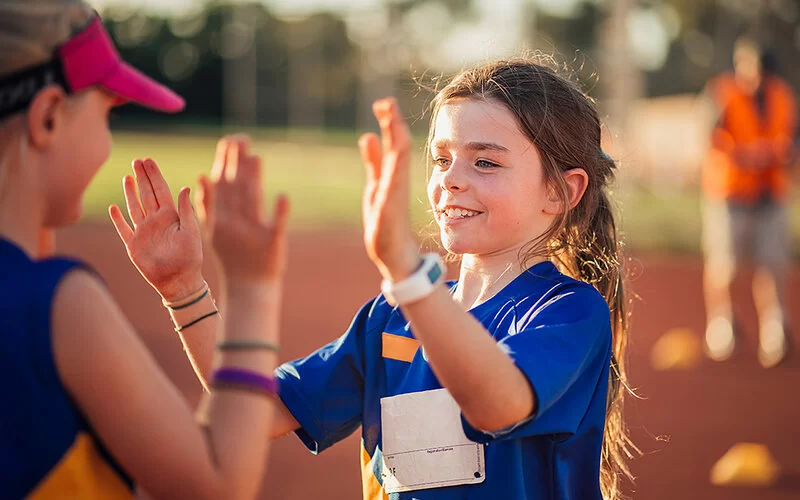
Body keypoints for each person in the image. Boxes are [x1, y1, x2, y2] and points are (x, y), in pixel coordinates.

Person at [116, 58, 636, 499]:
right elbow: (255, 411)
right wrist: (184, 290)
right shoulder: (390, 317)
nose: (451, 178)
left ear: (561, 192)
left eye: (485, 162)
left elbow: (496, 404)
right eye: (441, 158)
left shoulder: (568, 312)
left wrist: (408, 276)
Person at [0, 2, 291, 498]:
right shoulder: (59, 305)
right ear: (47, 117)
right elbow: (217, 483)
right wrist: (251, 287)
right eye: (106, 114)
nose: (108, 140)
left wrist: (182, 289)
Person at [700, 37, 797, 367]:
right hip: (730, 194)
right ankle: (722, 324)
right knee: (724, 265)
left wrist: (782, 155)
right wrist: (747, 155)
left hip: (770, 194)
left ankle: (775, 330)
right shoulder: (723, 94)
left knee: (773, 264)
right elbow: (709, 137)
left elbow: (793, 139)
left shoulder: (782, 96)